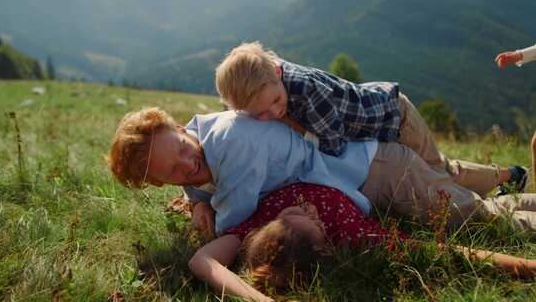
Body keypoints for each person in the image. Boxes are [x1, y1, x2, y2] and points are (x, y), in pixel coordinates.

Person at [107, 107, 535, 238]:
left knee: (479, 222)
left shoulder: (230, 140)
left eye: (182, 147)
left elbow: (234, 220)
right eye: (173, 170)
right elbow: (201, 182)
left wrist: (206, 219)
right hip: (366, 168)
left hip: (378, 170)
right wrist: (198, 200)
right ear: (158, 183)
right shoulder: (201, 151)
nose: (188, 162)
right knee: (471, 205)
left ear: (181, 128)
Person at [215, 41, 528, 194]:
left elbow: (334, 145)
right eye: (261, 114)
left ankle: (511, 176)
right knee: (439, 171)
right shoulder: (269, 78)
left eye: (276, 103)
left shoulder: (309, 92)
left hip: (395, 117)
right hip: (374, 120)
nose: (273, 114)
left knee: (440, 172)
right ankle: (503, 179)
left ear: (276, 75)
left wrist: (288, 124)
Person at [188, 183, 536, 301]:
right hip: (370, 178)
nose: (312, 211)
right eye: (316, 223)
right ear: (327, 241)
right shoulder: (353, 235)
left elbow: (202, 262)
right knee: (483, 210)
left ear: (274, 228)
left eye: (299, 215)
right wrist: (524, 266)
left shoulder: (249, 228)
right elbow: (446, 250)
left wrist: (256, 298)